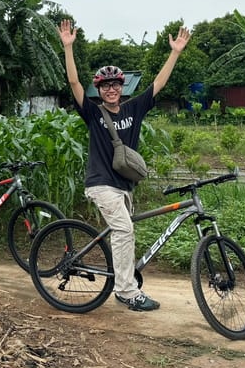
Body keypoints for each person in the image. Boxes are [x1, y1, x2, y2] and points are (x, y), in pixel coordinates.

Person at [58, 19, 191, 311]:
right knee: (124, 231)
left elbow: (159, 84)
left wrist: (175, 53)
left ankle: (121, 277)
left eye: (115, 85)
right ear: (100, 91)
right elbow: (74, 83)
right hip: (101, 183)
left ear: (122, 87)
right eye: (105, 87)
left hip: (124, 185)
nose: (111, 90)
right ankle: (126, 292)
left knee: (124, 231)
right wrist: (68, 47)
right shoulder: (93, 114)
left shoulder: (133, 108)